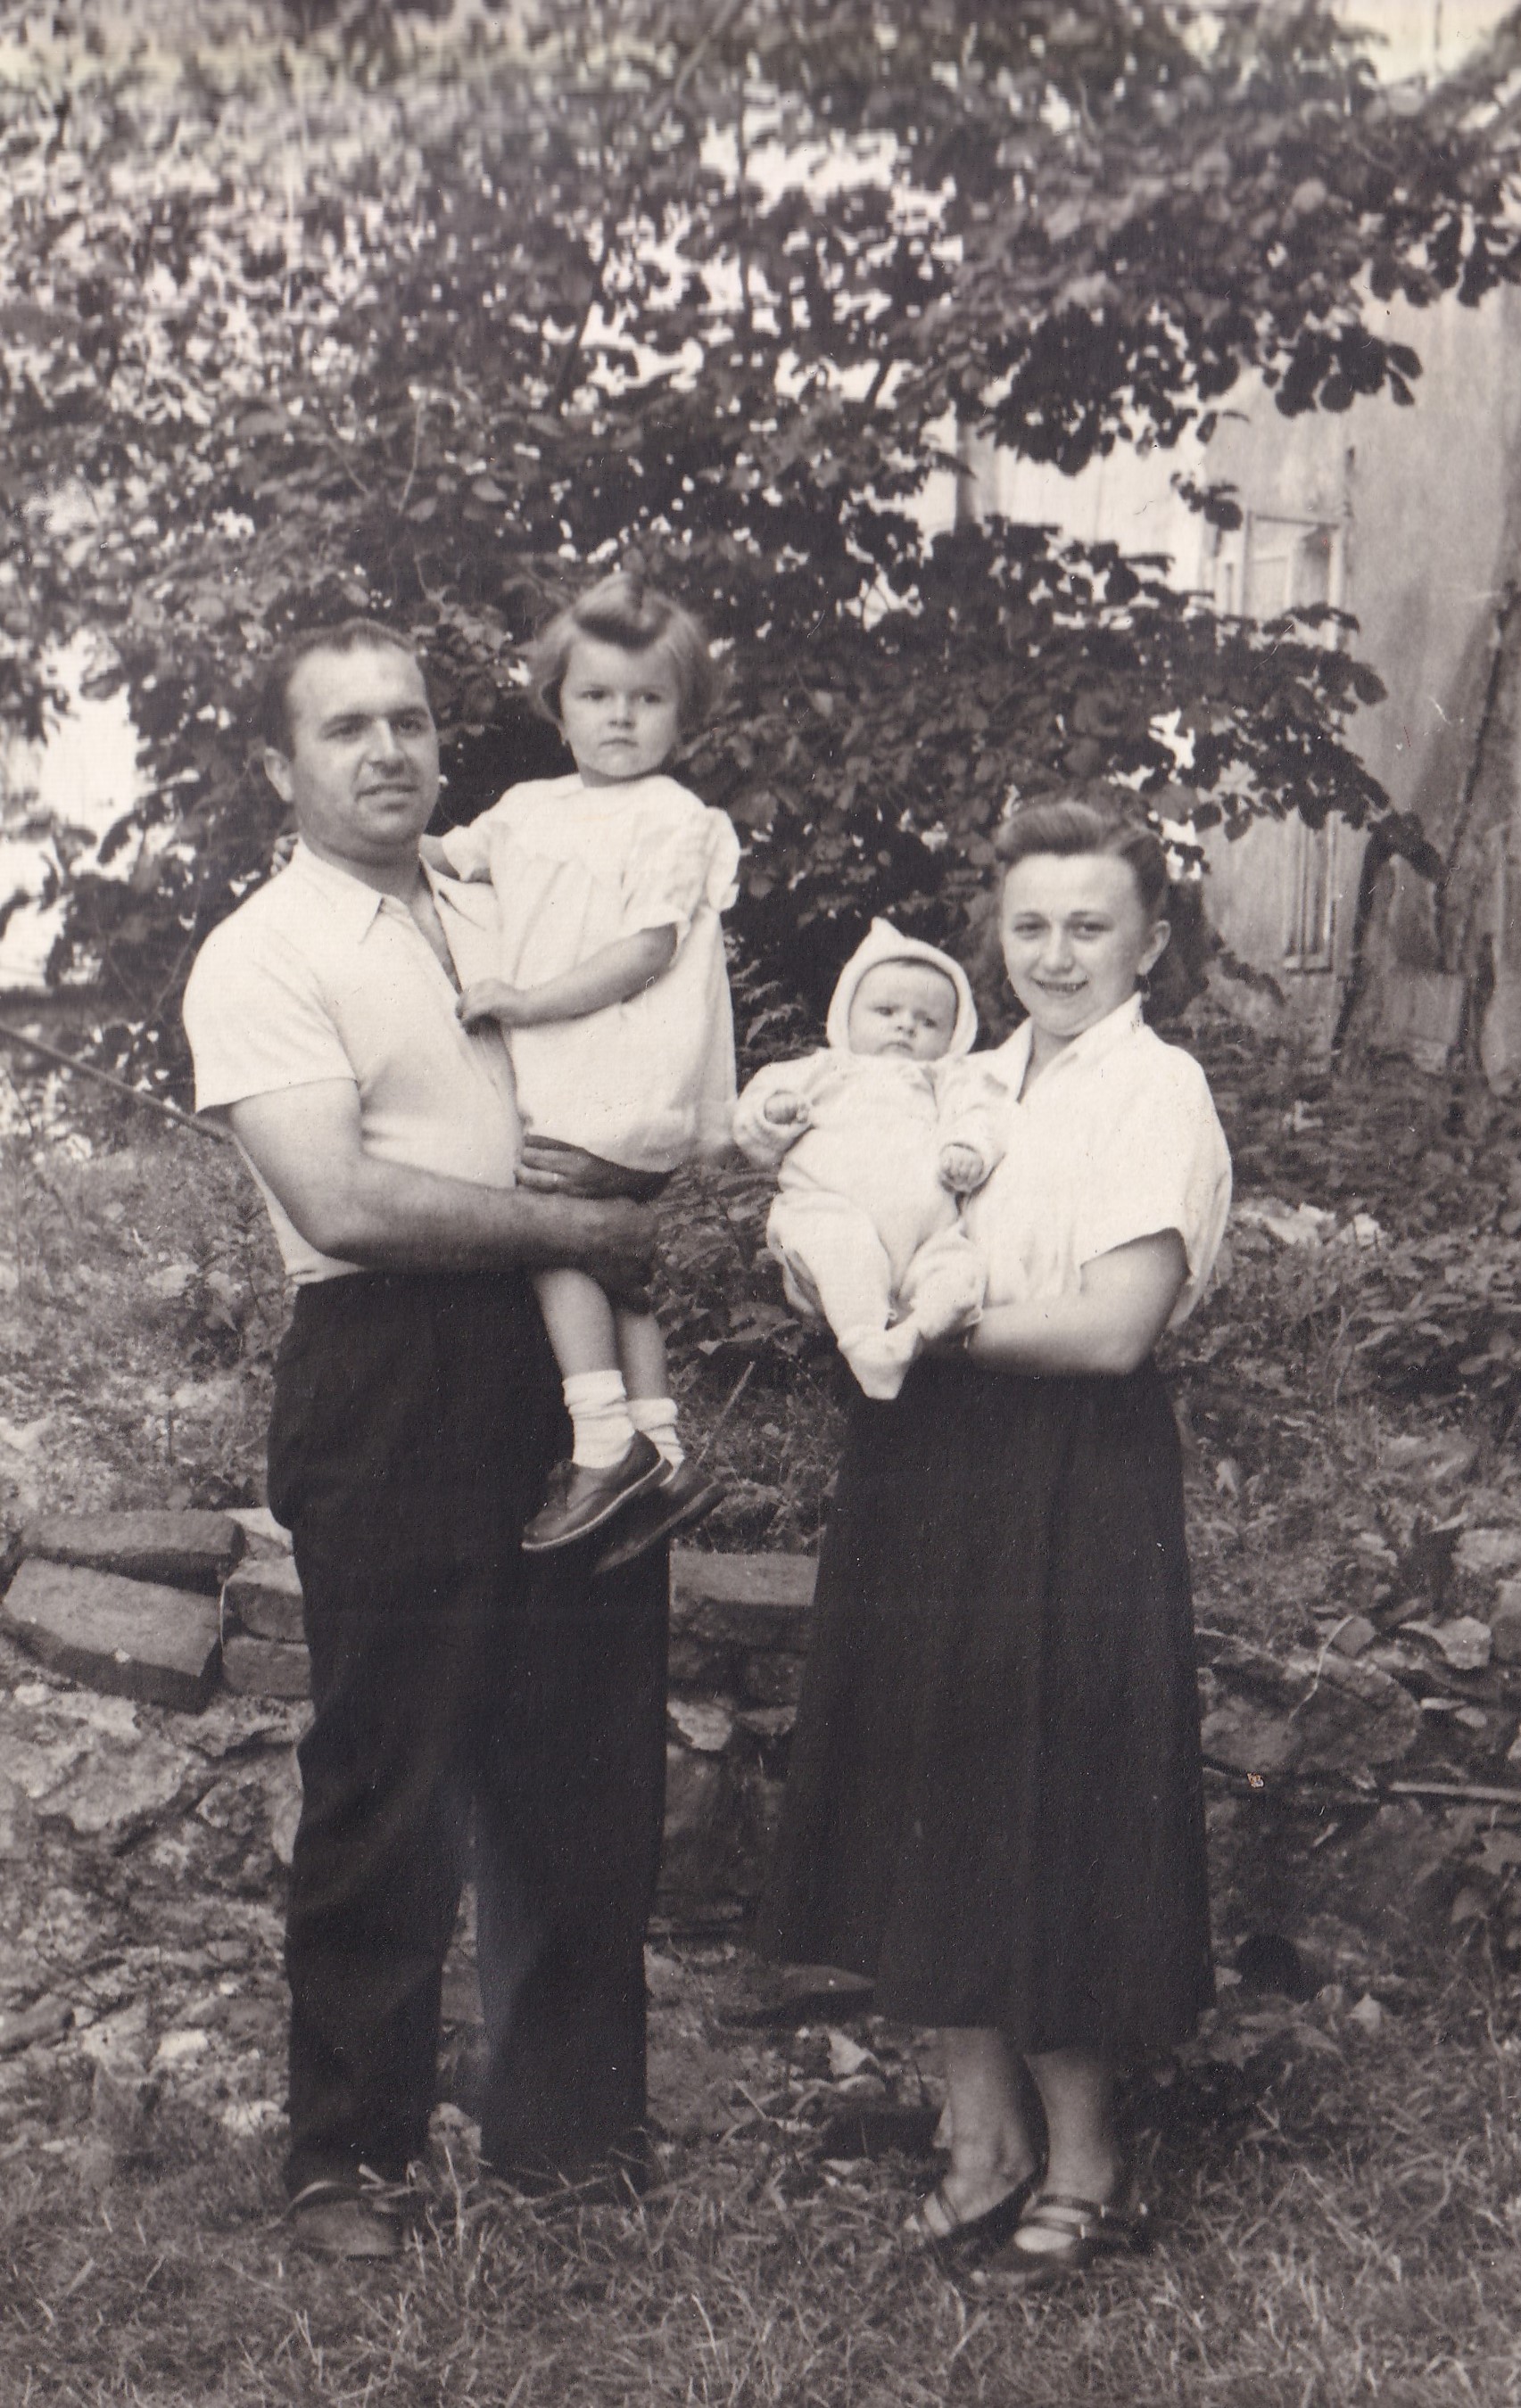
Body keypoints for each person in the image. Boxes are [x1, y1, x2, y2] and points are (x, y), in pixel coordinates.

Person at [182, 619, 672, 2259]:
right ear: (279, 766)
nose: (387, 751)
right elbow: (341, 1199)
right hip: (391, 1366)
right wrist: (580, 1229)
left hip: (564, 1349)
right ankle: (348, 2159)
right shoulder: (261, 951)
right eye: (345, 730)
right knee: (388, 1771)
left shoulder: (498, 899)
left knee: (583, 1754)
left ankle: (571, 2139)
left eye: (407, 721)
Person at [756, 794, 1232, 2291]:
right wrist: (828, 1270)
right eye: (1029, 924)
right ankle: (980, 2133)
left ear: (1150, 940)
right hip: (924, 1458)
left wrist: (924, 1332)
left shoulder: (1154, 1090)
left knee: (1059, 1794)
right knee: (928, 1777)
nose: (1055, 953)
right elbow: (846, 1212)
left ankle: (1086, 2159)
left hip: (1070, 1470)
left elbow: (1111, 1327)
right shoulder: (956, 1078)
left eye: (1089, 925)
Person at [424, 572, 738, 1563]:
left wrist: (524, 999)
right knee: (612, 1257)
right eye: (596, 695)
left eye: (648, 699)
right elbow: (449, 857)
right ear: (557, 706)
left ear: (682, 715)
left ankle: (602, 1442)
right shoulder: (528, 807)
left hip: (621, 1063)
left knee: (551, 1228)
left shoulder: (673, 817)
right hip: (576, 1064)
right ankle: (664, 1447)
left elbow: (644, 951)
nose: (620, 717)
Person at [732, 919, 1006, 1398]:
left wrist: (967, 1149)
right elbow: (752, 1121)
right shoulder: (823, 1070)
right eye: (886, 1011)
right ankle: (864, 1341)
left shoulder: (945, 1080)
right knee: (843, 1246)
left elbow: (981, 1115)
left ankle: (915, 1333)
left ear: (954, 1036)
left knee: (961, 1272)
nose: (906, 1025)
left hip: (927, 1236)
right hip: (830, 1210)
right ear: (847, 1015)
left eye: (928, 1021)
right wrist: (775, 1112)